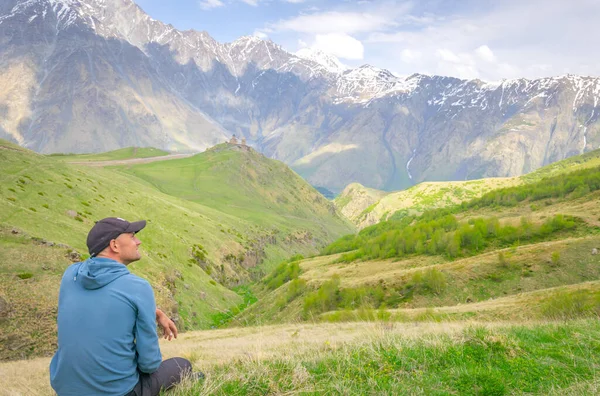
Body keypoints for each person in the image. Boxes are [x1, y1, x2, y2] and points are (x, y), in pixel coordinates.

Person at [50, 217, 196, 396]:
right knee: (182, 365)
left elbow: (104, 303)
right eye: (132, 236)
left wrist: (155, 313)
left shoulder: (70, 275)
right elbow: (149, 364)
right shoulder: (138, 287)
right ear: (115, 245)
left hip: (66, 391)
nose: (138, 241)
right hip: (118, 392)